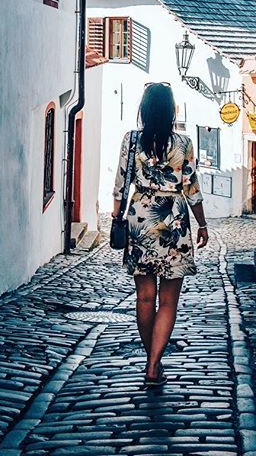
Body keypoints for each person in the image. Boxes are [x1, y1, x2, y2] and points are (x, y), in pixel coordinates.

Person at [112, 81, 209, 386]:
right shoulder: (183, 144)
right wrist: (202, 224)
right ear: (171, 111)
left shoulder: (131, 141)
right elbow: (191, 190)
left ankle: (151, 359)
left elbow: (119, 186)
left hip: (140, 216)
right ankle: (154, 365)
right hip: (174, 219)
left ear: (143, 109)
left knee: (144, 297)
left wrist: (117, 218)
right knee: (168, 301)